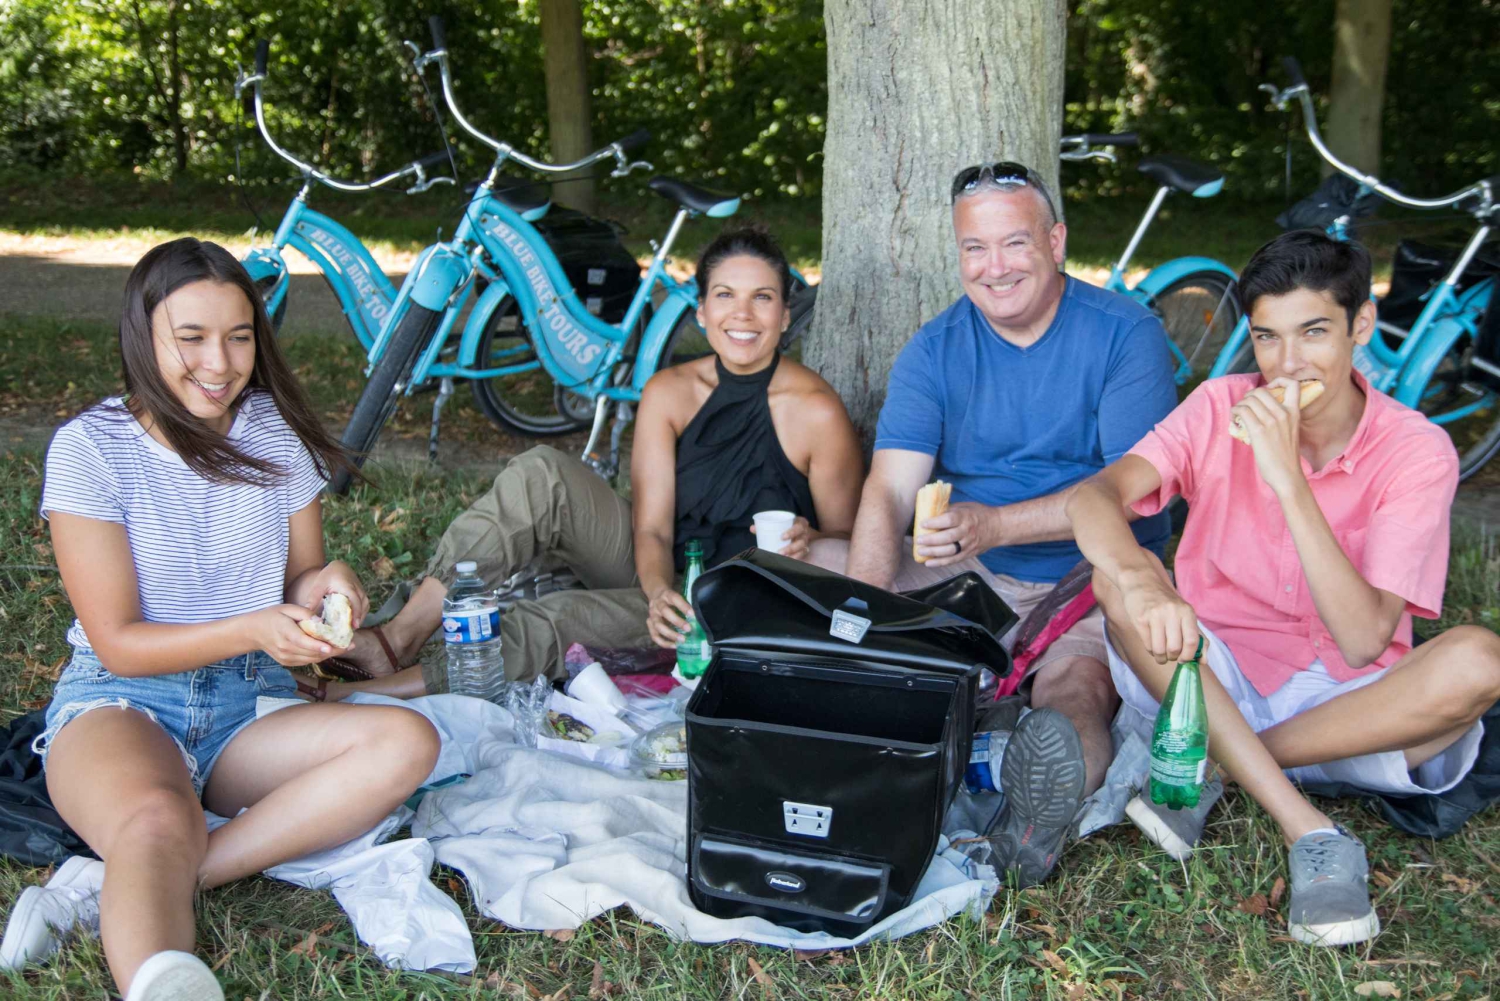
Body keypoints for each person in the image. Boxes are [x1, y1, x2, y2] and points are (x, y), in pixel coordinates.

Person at [3, 239, 441, 1000]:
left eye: (239, 337)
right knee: (155, 817)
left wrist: (330, 584)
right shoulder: (91, 449)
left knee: (408, 742)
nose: (220, 362)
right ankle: (161, 967)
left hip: (246, 704)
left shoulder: (272, 430)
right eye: (192, 337)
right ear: (143, 336)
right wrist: (253, 628)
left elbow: (301, 577)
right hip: (122, 701)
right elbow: (120, 643)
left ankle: (115, 882)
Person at [1065, 229, 1500, 946]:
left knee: (1480, 661)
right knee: (1117, 583)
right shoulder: (1220, 404)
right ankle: (1310, 827)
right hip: (1210, 671)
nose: (1288, 363)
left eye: (1314, 332)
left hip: (1345, 703)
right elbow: (1094, 497)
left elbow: (1362, 641)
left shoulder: (1417, 450)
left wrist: (1287, 478)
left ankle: (1221, 765)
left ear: (1361, 325)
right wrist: (1143, 581)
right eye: (1267, 337)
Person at [817, 161, 1180, 887]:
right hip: (972, 571)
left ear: (1055, 241)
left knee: (1072, 694)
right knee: (827, 564)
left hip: (1089, 576)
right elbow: (889, 489)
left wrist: (995, 526)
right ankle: (905, 698)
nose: (995, 267)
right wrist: (867, 610)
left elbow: (1133, 494)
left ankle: (1037, 802)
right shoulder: (935, 347)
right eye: (974, 248)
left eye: (1015, 243)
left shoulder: (1124, 334)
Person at [329, 227, 864, 694]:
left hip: (734, 607)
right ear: (701, 311)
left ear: (785, 314)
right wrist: (657, 593)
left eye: (762, 297)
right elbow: (651, 529)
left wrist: (812, 540)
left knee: (557, 618)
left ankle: (373, 695)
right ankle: (398, 639)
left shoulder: (816, 410)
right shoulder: (669, 391)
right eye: (725, 295)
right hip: (658, 574)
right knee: (542, 473)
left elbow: (850, 546)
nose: (742, 314)